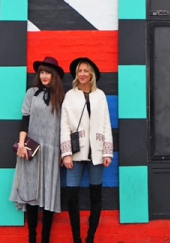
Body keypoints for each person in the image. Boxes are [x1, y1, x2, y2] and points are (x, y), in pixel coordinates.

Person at [10, 55, 65, 243]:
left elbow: (65, 126)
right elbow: (24, 119)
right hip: (31, 151)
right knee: (31, 196)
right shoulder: (31, 93)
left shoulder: (61, 97)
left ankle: (45, 239)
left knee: (48, 197)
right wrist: (21, 145)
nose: (44, 76)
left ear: (54, 76)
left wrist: (63, 151)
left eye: (47, 73)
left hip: (51, 151)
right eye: (41, 72)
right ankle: (32, 237)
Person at [61, 57, 113, 243]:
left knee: (95, 195)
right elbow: (64, 125)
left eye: (85, 70)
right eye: (79, 71)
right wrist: (66, 153)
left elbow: (106, 123)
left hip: (97, 153)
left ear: (91, 74)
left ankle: (90, 237)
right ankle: (77, 239)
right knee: (72, 196)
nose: (82, 74)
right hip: (75, 153)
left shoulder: (100, 95)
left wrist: (107, 152)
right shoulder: (70, 95)